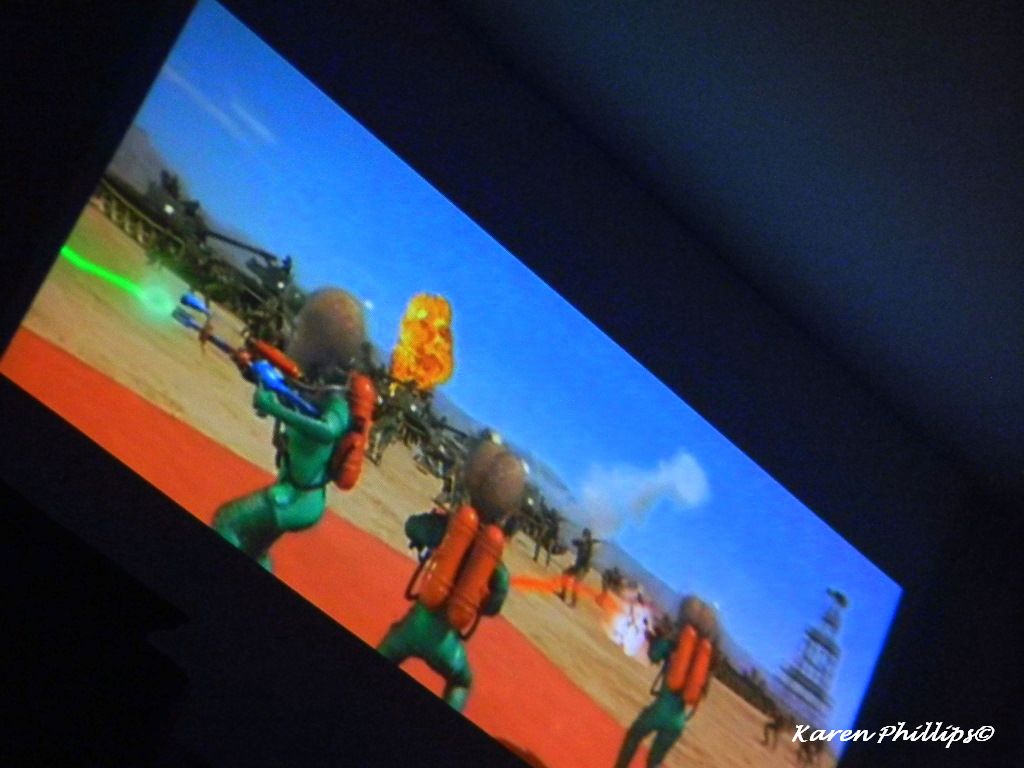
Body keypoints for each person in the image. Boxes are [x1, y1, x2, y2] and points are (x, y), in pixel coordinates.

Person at [213, 288, 372, 571]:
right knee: (254, 550)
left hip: (299, 498)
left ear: (320, 345)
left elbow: (327, 430)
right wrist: (251, 371)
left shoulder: (335, 400)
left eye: (300, 333)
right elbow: (288, 392)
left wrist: (275, 409)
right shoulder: (314, 387)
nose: (293, 336)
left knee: (228, 522)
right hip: (293, 491)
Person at [377, 440, 524, 711]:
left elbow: (413, 527)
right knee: (461, 681)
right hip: (448, 643)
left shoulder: (446, 527)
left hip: (416, 623)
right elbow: (493, 605)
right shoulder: (494, 563)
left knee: (391, 645)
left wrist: (438, 528)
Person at [614, 595, 719, 768]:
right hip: (679, 720)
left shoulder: (676, 642)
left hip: (661, 709)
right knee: (655, 761)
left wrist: (657, 638)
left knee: (634, 735)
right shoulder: (704, 657)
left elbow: (653, 655)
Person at [559, 527, 601, 606]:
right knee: (565, 574)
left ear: (588, 536)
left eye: (585, 535)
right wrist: (581, 542)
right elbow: (574, 542)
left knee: (576, 583)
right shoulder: (583, 543)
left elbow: (589, 556)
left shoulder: (590, 546)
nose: (583, 536)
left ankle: (573, 602)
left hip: (583, 568)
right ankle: (563, 594)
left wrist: (588, 543)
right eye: (583, 535)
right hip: (577, 565)